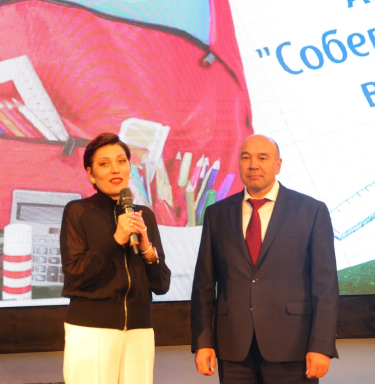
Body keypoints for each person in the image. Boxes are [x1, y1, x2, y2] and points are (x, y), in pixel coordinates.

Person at [190, 134, 339, 384]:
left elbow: (325, 286)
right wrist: (203, 341)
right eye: (246, 158)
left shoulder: (311, 211)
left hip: (293, 348)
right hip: (233, 349)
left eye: (262, 158)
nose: (253, 165)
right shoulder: (217, 214)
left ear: (278, 164)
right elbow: (203, 285)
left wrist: (321, 345)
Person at [60, 132, 171, 384]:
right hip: (92, 330)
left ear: (130, 168)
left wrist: (147, 248)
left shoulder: (144, 216)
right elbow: (76, 274)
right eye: (104, 163)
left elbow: (162, 284)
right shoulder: (78, 212)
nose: (115, 169)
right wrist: (115, 240)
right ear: (91, 174)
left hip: (140, 331)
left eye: (121, 161)